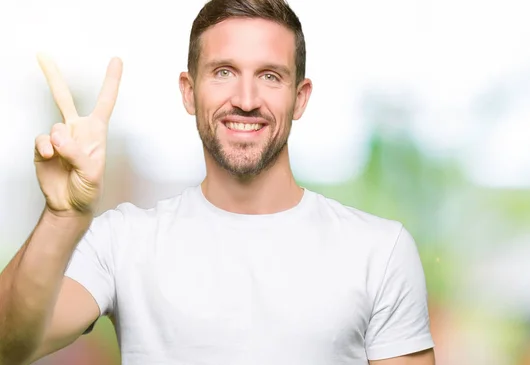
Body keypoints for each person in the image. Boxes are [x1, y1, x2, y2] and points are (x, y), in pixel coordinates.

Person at [0, 0, 435, 364]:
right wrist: (62, 216)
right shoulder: (123, 241)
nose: (246, 101)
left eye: (270, 76)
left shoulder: (379, 250)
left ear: (299, 97)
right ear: (188, 91)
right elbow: (9, 346)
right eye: (223, 71)